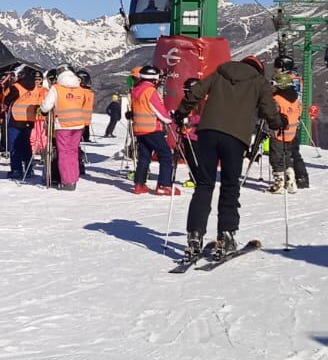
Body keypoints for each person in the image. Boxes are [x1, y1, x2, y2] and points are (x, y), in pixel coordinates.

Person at [174, 53, 285, 258]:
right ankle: (226, 236)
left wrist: (181, 112)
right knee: (229, 186)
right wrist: (279, 122)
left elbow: (196, 92)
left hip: (207, 133)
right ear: (258, 69)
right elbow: (268, 111)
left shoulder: (220, 73)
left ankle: (195, 235)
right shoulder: (259, 82)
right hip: (235, 137)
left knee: (204, 184)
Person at [128, 65, 179, 195]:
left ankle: (139, 184)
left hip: (139, 128)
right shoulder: (150, 91)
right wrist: (169, 118)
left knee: (144, 156)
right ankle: (164, 185)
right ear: (154, 78)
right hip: (151, 128)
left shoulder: (136, 89)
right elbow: (158, 109)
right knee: (166, 154)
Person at [40, 69, 94, 190]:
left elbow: (46, 106)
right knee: (73, 152)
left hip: (63, 125)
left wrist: (43, 109)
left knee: (64, 153)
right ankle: (74, 178)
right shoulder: (79, 88)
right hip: (78, 124)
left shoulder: (57, 88)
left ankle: (67, 181)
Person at [269, 71, 309, 193]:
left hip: (278, 133)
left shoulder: (277, 99)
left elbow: (271, 115)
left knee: (276, 157)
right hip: (291, 133)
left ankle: (279, 183)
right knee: (288, 156)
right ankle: (290, 179)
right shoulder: (296, 99)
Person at [4, 66, 46, 180]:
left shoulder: (16, 87)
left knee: (15, 146)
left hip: (16, 119)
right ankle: (28, 169)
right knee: (27, 145)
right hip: (29, 119)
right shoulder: (35, 88)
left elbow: (6, 100)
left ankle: (17, 170)